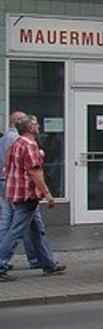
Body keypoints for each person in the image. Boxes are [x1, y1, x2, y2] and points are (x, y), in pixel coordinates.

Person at [0, 115, 66, 280]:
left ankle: (48, 264)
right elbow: (35, 172)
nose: (38, 126)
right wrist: (48, 194)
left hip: (16, 191)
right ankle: (1, 264)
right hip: (27, 194)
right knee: (16, 231)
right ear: (29, 128)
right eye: (35, 124)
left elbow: (9, 167)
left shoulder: (16, 144)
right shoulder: (30, 145)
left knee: (37, 229)